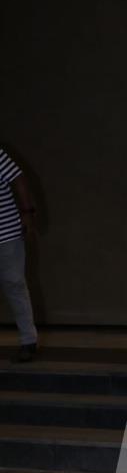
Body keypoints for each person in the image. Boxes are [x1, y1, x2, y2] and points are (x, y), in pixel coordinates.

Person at [0, 147, 39, 362]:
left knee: (14, 283)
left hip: (6, 234)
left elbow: (18, 178)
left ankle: (28, 341)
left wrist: (27, 213)